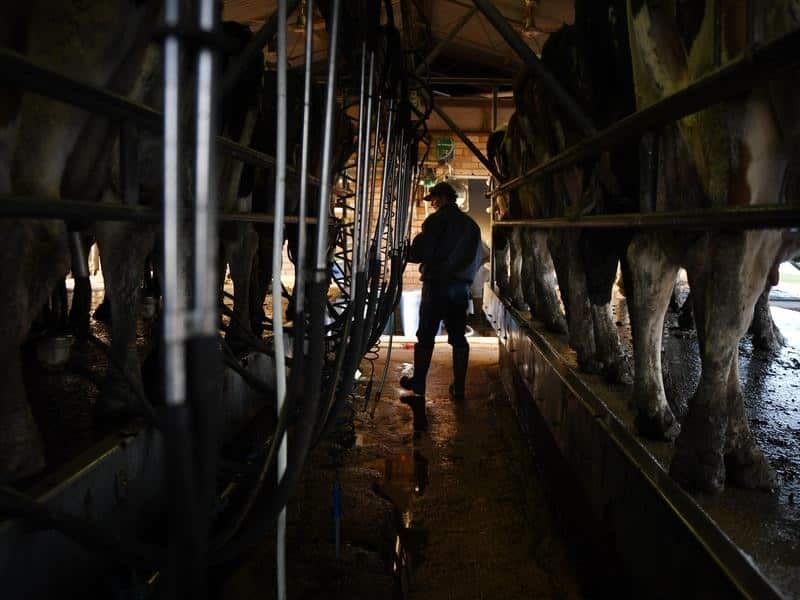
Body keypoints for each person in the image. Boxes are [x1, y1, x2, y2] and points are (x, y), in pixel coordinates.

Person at [400, 181, 482, 402]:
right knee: (458, 339)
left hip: (436, 287)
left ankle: (419, 385)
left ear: (444, 198)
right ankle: (460, 388)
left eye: (434, 200)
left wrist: (404, 251)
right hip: (460, 289)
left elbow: (420, 252)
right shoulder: (472, 226)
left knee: (425, 337)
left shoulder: (436, 221)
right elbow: (479, 257)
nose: (433, 204)